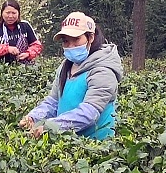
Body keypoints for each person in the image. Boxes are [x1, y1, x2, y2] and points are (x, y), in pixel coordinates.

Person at [19, 11, 122, 140]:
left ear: (90, 37)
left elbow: (89, 112)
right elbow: (54, 101)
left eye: (76, 39)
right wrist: (34, 117)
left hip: (96, 146)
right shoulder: (65, 67)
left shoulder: (103, 70)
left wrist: (50, 126)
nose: (71, 46)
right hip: (67, 141)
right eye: (66, 41)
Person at [0, 0, 43, 64]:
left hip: (26, 68)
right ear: (2, 13)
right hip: (1, 69)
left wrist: (28, 54)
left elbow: (37, 45)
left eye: (14, 13)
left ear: (18, 13)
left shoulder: (25, 26)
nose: (10, 16)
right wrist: (7, 49)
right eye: (7, 13)